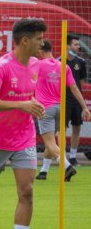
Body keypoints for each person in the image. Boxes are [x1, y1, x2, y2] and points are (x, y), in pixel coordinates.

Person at [0, 19, 47, 229]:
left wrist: (34, 104)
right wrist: (20, 105)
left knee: (26, 192)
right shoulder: (1, 66)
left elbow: (28, 95)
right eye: (39, 39)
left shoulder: (36, 64)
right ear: (24, 41)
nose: (42, 43)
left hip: (24, 138)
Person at [35, 40, 90, 181]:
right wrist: (84, 107)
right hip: (61, 108)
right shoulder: (63, 66)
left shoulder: (38, 65)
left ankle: (66, 166)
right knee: (53, 141)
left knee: (49, 143)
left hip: (45, 109)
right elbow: (75, 88)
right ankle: (44, 171)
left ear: (41, 51)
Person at [62, 35, 87, 166]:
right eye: (76, 44)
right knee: (63, 128)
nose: (78, 47)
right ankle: (63, 157)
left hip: (76, 100)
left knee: (76, 127)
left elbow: (80, 83)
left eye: (78, 45)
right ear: (68, 46)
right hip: (64, 99)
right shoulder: (59, 61)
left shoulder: (81, 62)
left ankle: (73, 157)